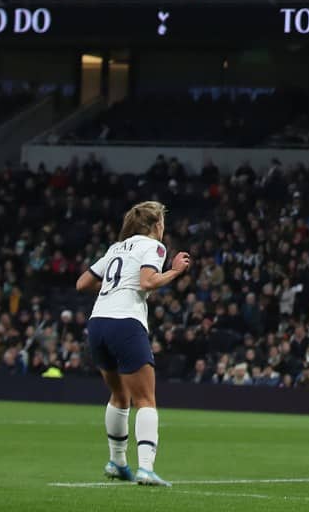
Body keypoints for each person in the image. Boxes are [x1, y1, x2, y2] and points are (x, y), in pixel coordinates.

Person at [75, 200, 192, 486]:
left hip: (98, 323)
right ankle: (146, 468)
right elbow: (147, 282)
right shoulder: (154, 247)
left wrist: (112, 288)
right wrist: (175, 271)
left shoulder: (116, 248)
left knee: (119, 395)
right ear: (156, 225)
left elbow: (82, 283)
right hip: (125, 322)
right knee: (146, 399)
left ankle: (117, 462)